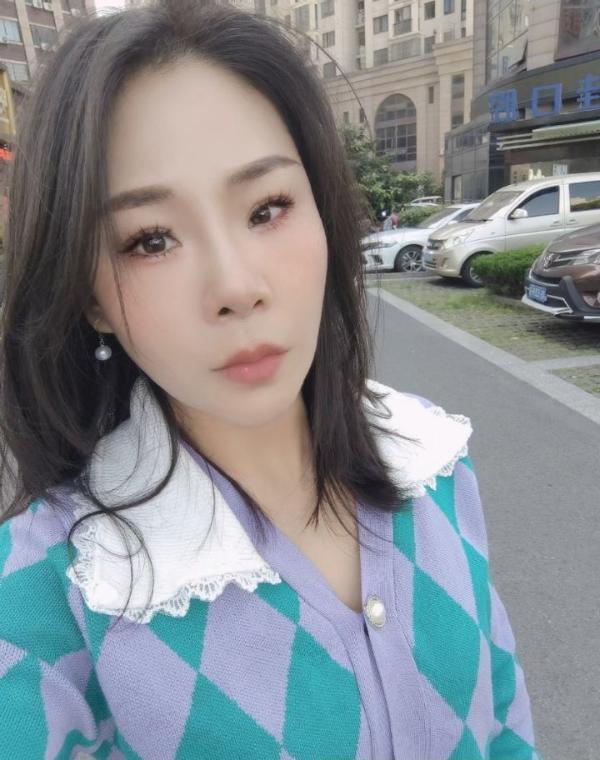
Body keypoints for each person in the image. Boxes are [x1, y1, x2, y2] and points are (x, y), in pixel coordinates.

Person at [0, 2, 541, 759]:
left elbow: (505, 720)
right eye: (150, 240)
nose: (235, 286)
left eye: (267, 207)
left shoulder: (432, 459)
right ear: (88, 296)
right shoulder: (49, 592)